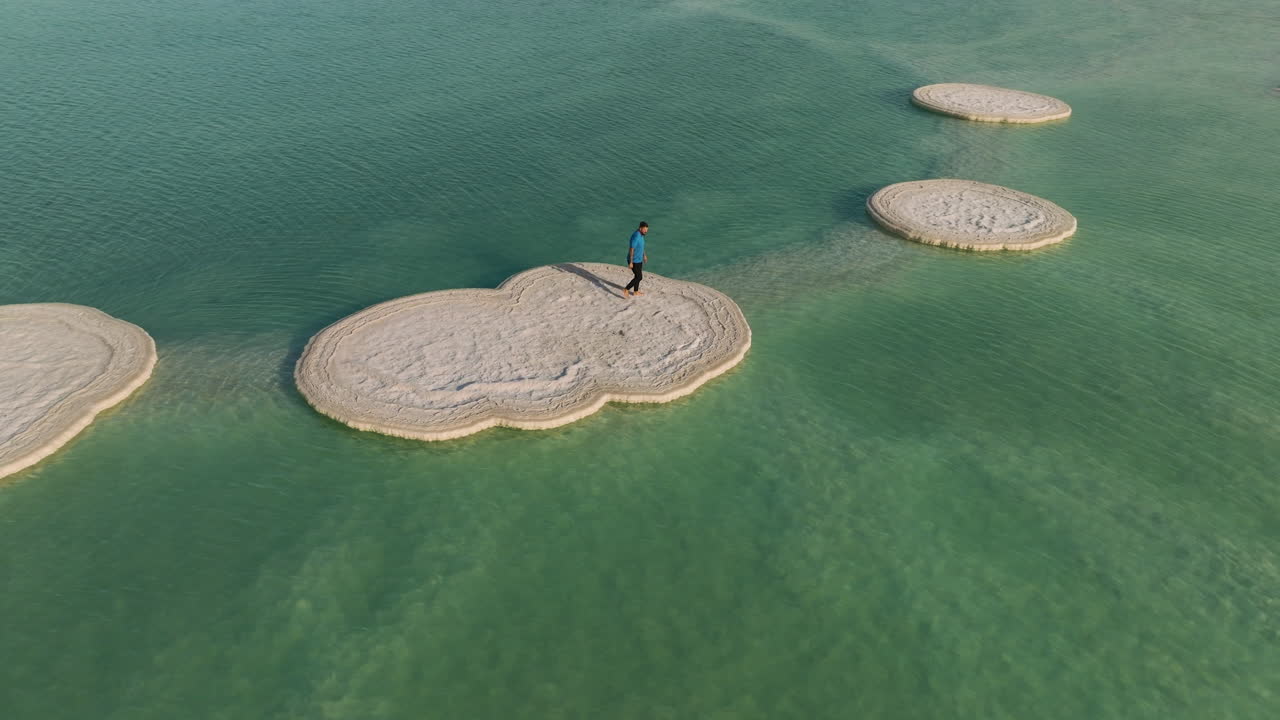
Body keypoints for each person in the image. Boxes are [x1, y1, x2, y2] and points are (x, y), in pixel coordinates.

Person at [625, 222, 648, 297]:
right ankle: (626, 289)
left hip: (639, 259)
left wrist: (644, 255)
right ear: (640, 228)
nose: (646, 231)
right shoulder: (636, 236)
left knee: (637, 276)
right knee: (639, 277)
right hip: (634, 261)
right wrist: (631, 262)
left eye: (647, 230)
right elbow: (632, 249)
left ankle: (635, 291)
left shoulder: (641, 235)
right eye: (644, 229)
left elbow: (641, 246)